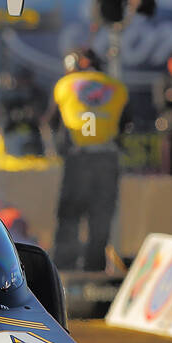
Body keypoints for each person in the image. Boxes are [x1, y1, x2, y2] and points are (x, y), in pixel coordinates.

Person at [41, 48, 129, 271]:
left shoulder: (65, 85)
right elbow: (126, 123)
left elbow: (49, 122)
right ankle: (95, 270)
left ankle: (64, 271)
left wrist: (56, 150)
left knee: (70, 216)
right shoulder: (117, 87)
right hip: (107, 159)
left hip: (78, 159)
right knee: (101, 219)